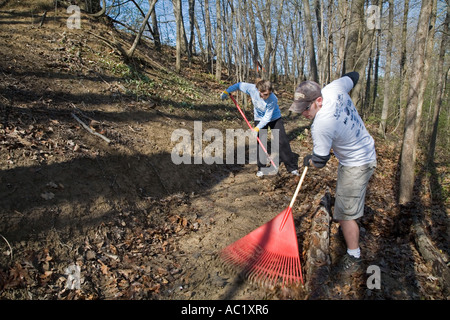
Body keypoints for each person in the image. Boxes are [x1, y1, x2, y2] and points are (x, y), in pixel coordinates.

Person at [289, 72, 376, 277]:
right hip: (363, 150)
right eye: (300, 109)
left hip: (357, 163)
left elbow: (319, 161)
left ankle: (354, 256)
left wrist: (308, 160)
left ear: (318, 100)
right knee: (346, 205)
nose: (304, 114)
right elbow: (353, 76)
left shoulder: (321, 125)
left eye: (306, 109)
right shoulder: (333, 88)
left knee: (344, 214)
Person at [220, 80, 299, 177]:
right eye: (264, 94)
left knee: (282, 141)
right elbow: (238, 85)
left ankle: (292, 168)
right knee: (261, 142)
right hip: (258, 118)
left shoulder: (273, 99)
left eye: (268, 93)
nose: (267, 96)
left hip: (274, 118)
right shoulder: (251, 89)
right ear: (258, 90)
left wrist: (257, 128)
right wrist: (227, 91)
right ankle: (261, 168)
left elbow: (267, 117)